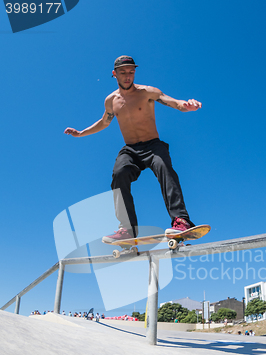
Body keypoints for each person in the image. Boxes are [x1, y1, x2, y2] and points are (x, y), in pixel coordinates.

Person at [64, 55, 202, 242]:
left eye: (131, 72)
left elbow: (175, 103)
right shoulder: (111, 100)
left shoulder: (148, 92)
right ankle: (127, 229)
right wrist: (81, 133)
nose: (128, 76)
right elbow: (104, 122)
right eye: (123, 73)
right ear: (115, 74)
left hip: (153, 146)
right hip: (131, 150)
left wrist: (188, 105)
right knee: (119, 173)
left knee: (164, 168)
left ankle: (181, 220)